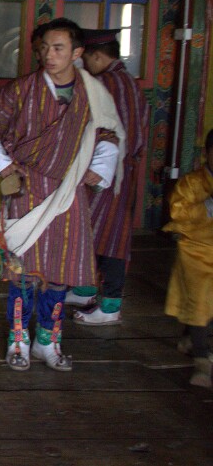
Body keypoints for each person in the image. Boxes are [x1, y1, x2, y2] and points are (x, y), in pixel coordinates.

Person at [0, 18, 125, 371]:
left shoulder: (94, 93)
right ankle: (18, 341)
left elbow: (109, 134)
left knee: (60, 271)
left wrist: (98, 169)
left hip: (69, 191)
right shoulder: (23, 89)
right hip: (27, 188)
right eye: (43, 48)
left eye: (58, 48)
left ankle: (48, 340)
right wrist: (4, 165)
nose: (49, 55)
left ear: (77, 52)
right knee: (22, 271)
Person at [69, 30, 149, 325]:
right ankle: (85, 289)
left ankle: (111, 304)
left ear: (97, 56)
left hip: (108, 172)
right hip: (121, 171)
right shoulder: (129, 81)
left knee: (112, 236)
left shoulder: (104, 83)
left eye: (87, 59)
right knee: (95, 231)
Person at [163, 129, 213, 388]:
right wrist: (208, 205)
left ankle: (190, 337)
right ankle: (202, 360)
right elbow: (178, 212)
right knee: (201, 297)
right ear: (206, 154)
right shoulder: (192, 183)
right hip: (195, 250)